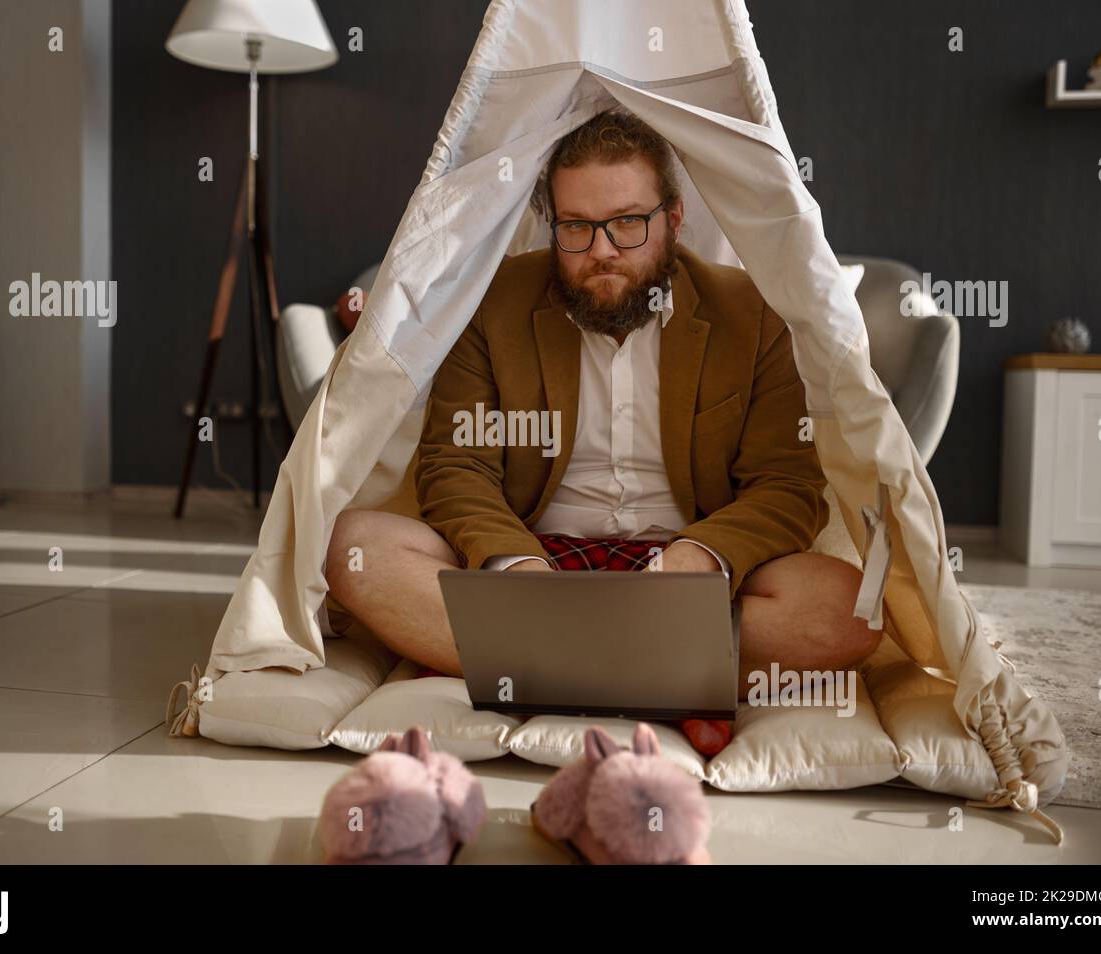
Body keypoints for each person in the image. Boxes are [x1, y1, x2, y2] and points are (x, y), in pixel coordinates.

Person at [325, 109, 879, 756]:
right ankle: (673, 682)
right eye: (577, 228)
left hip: (682, 577)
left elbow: (786, 486)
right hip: (534, 567)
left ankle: (515, 668)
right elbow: (457, 468)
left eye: (627, 223)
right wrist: (516, 566)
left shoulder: (753, 313)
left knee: (852, 607)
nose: (603, 250)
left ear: (673, 220)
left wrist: (697, 560)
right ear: (550, 224)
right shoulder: (488, 303)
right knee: (355, 548)